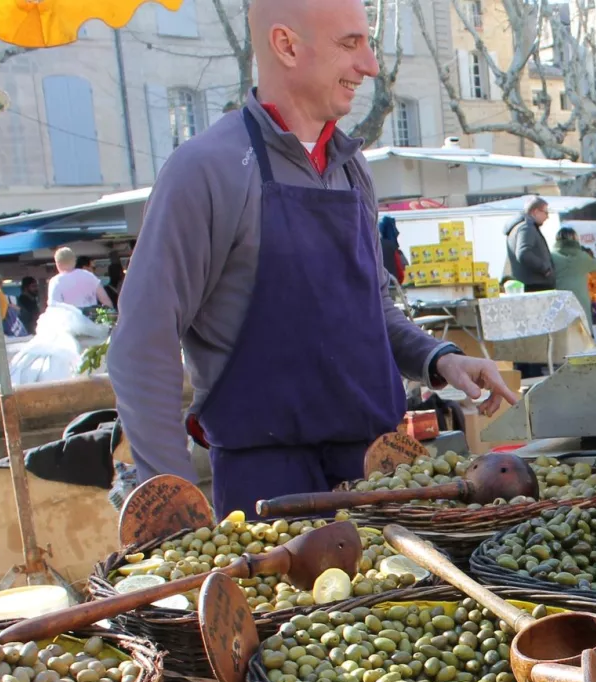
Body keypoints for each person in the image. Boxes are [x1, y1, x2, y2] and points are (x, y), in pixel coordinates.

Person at [106, 0, 518, 517]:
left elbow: (371, 309)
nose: (369, 66)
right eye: (350, 44)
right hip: (269, 489)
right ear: (285, 45)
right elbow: (141, 345)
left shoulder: (352, 169)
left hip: (374, 473)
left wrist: (440, 360)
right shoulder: (207, 170)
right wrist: (173, 507)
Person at [550, 226, 596, 320]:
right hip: (580, 302)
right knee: (583, 331)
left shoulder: (550, 257)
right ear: (576, 239)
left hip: (558, 302)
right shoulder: (583, 257)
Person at [504, 197, 556, 291]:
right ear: (535, 212)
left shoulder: (520, 227)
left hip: (529, 283)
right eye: (546, 212)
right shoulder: (526, 227)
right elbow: (523, 253)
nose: (547, 217)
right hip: (535, 285)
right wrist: (545, 269)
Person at [47, 247, 112, 313]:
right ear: (74, 261)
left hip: (69, 320)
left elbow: (53, 307)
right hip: (91, 319)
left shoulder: (55, 281)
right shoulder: (89, 276)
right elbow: (106, 301)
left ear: (57, 263)